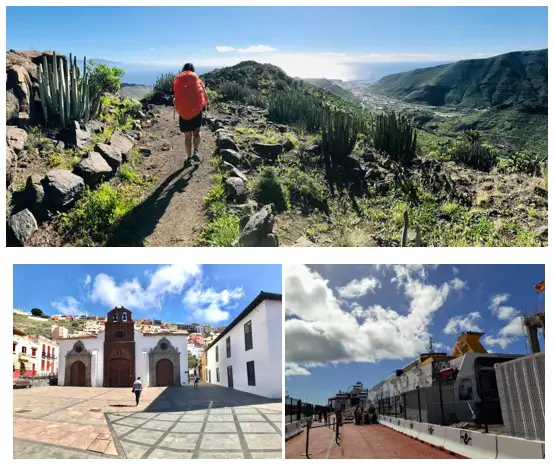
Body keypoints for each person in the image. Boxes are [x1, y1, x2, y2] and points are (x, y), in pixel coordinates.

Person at [173, 63, 208, 167]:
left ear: (183, 70)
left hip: (184, 112)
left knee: (187, 137)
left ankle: (188, 158)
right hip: (196, 111)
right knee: (197, 133)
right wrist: (203, 105)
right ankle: (196, 151)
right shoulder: (198, 81)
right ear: (193, 71)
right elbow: (205, 95)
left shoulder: (179, 80)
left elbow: (176, 97)